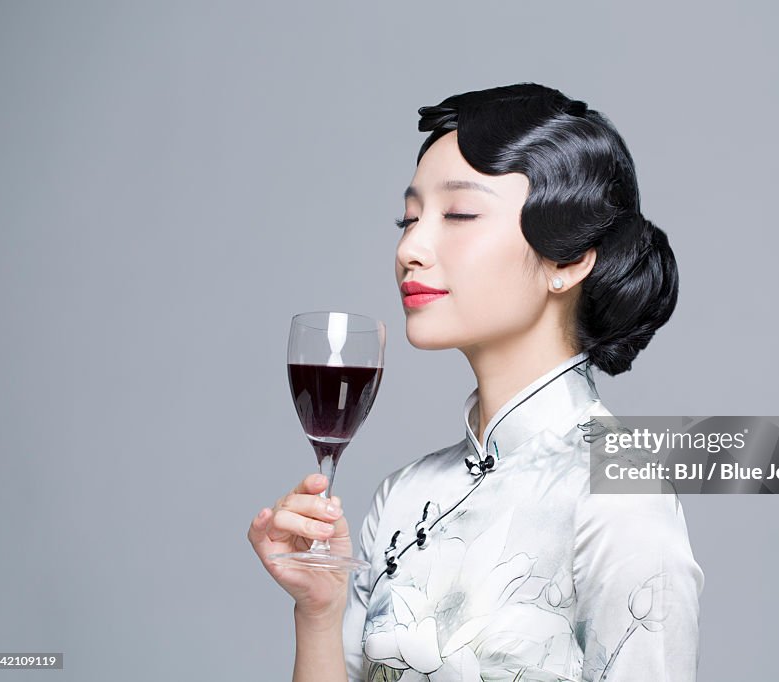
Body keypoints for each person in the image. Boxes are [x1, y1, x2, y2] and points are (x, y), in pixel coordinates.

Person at [248, 83, 705, 681]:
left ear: (568, 260)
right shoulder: (404, 496)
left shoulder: (619, 494)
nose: (411, 247)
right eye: (408, 219)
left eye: (458, 214)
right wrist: (318, 613)